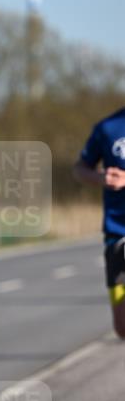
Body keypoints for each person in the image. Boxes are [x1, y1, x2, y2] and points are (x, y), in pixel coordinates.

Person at [73, 108, 125, 339]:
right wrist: (101, 178)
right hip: (117, 232)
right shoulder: (107, 128)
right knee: (122, 327)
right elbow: (80, 169)